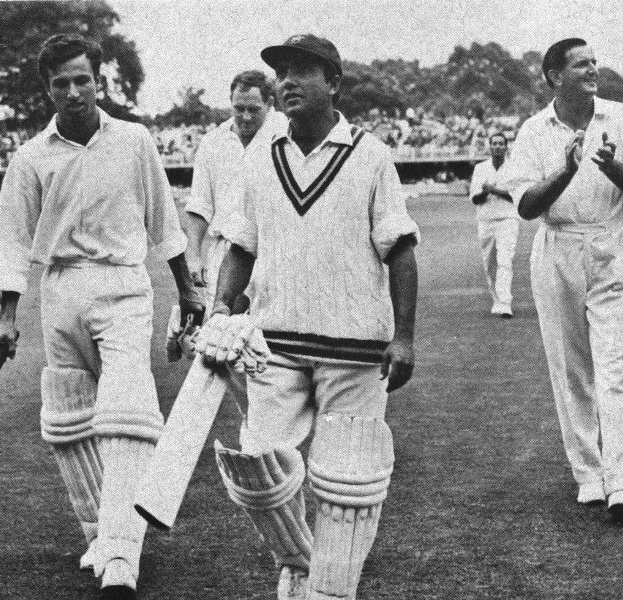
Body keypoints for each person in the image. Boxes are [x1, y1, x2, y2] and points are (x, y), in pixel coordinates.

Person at [201, 34, 419, 599]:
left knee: (349, 482)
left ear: (334, 83)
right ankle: (301, 561)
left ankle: (329, 588)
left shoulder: (369, 154)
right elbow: (241, 246)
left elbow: (399, 248)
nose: (288, 81)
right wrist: (224, 306)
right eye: (283, 72)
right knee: (257, 470)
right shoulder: (261, 156)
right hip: (275, 344)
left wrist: (405, 338)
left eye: (303, 71)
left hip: (355, 346)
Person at [0, 34, 203, 600]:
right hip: (60, 291)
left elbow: (165, 224)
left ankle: (122, 554)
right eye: (62, 82)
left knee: (127, 414)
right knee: (69, 422)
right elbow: (10, 240)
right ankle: (100, 536)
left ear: (98, 80)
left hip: (124, 287)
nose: (75, 91)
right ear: (47, 89)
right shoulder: (32, 156)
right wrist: (7, 316)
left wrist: (189, 291)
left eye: (84, 79)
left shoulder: (133, 140)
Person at [501, 38, 623, 524]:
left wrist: (614, 168)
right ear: (554, 76)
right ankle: (589, 475)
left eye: (594, 61)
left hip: (613, 245)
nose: (593, 69)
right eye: (581, 64)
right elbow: (526, 206)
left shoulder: (620, 117)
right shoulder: (533, 130)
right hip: (557, 248)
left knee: (614, 370)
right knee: (571, 371)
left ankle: (622, 483)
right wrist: (566, 170)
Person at [184, 70, 287, 310]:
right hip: (225, 252)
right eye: (239, 109)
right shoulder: (214, 142)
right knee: (220, 333)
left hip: (271, 253)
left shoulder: (286, 134)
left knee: (267, 338)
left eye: (254, 109)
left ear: (270, 104)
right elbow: (200, 205)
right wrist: (193, 254)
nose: (246, 117)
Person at [469, 132, 518, 317]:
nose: (497, 147)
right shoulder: (480, 169)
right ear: (490, 147)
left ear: (506, 147)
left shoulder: (514, 168)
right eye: (494, 144)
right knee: (489, 264)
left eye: (501, 144)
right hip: (486, 220)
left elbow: (516, 196)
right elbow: (475, 199)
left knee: (505, 261)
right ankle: (497, 299)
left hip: (508, 219)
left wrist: (493, 190)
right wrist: (484, 192)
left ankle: (505, 303)